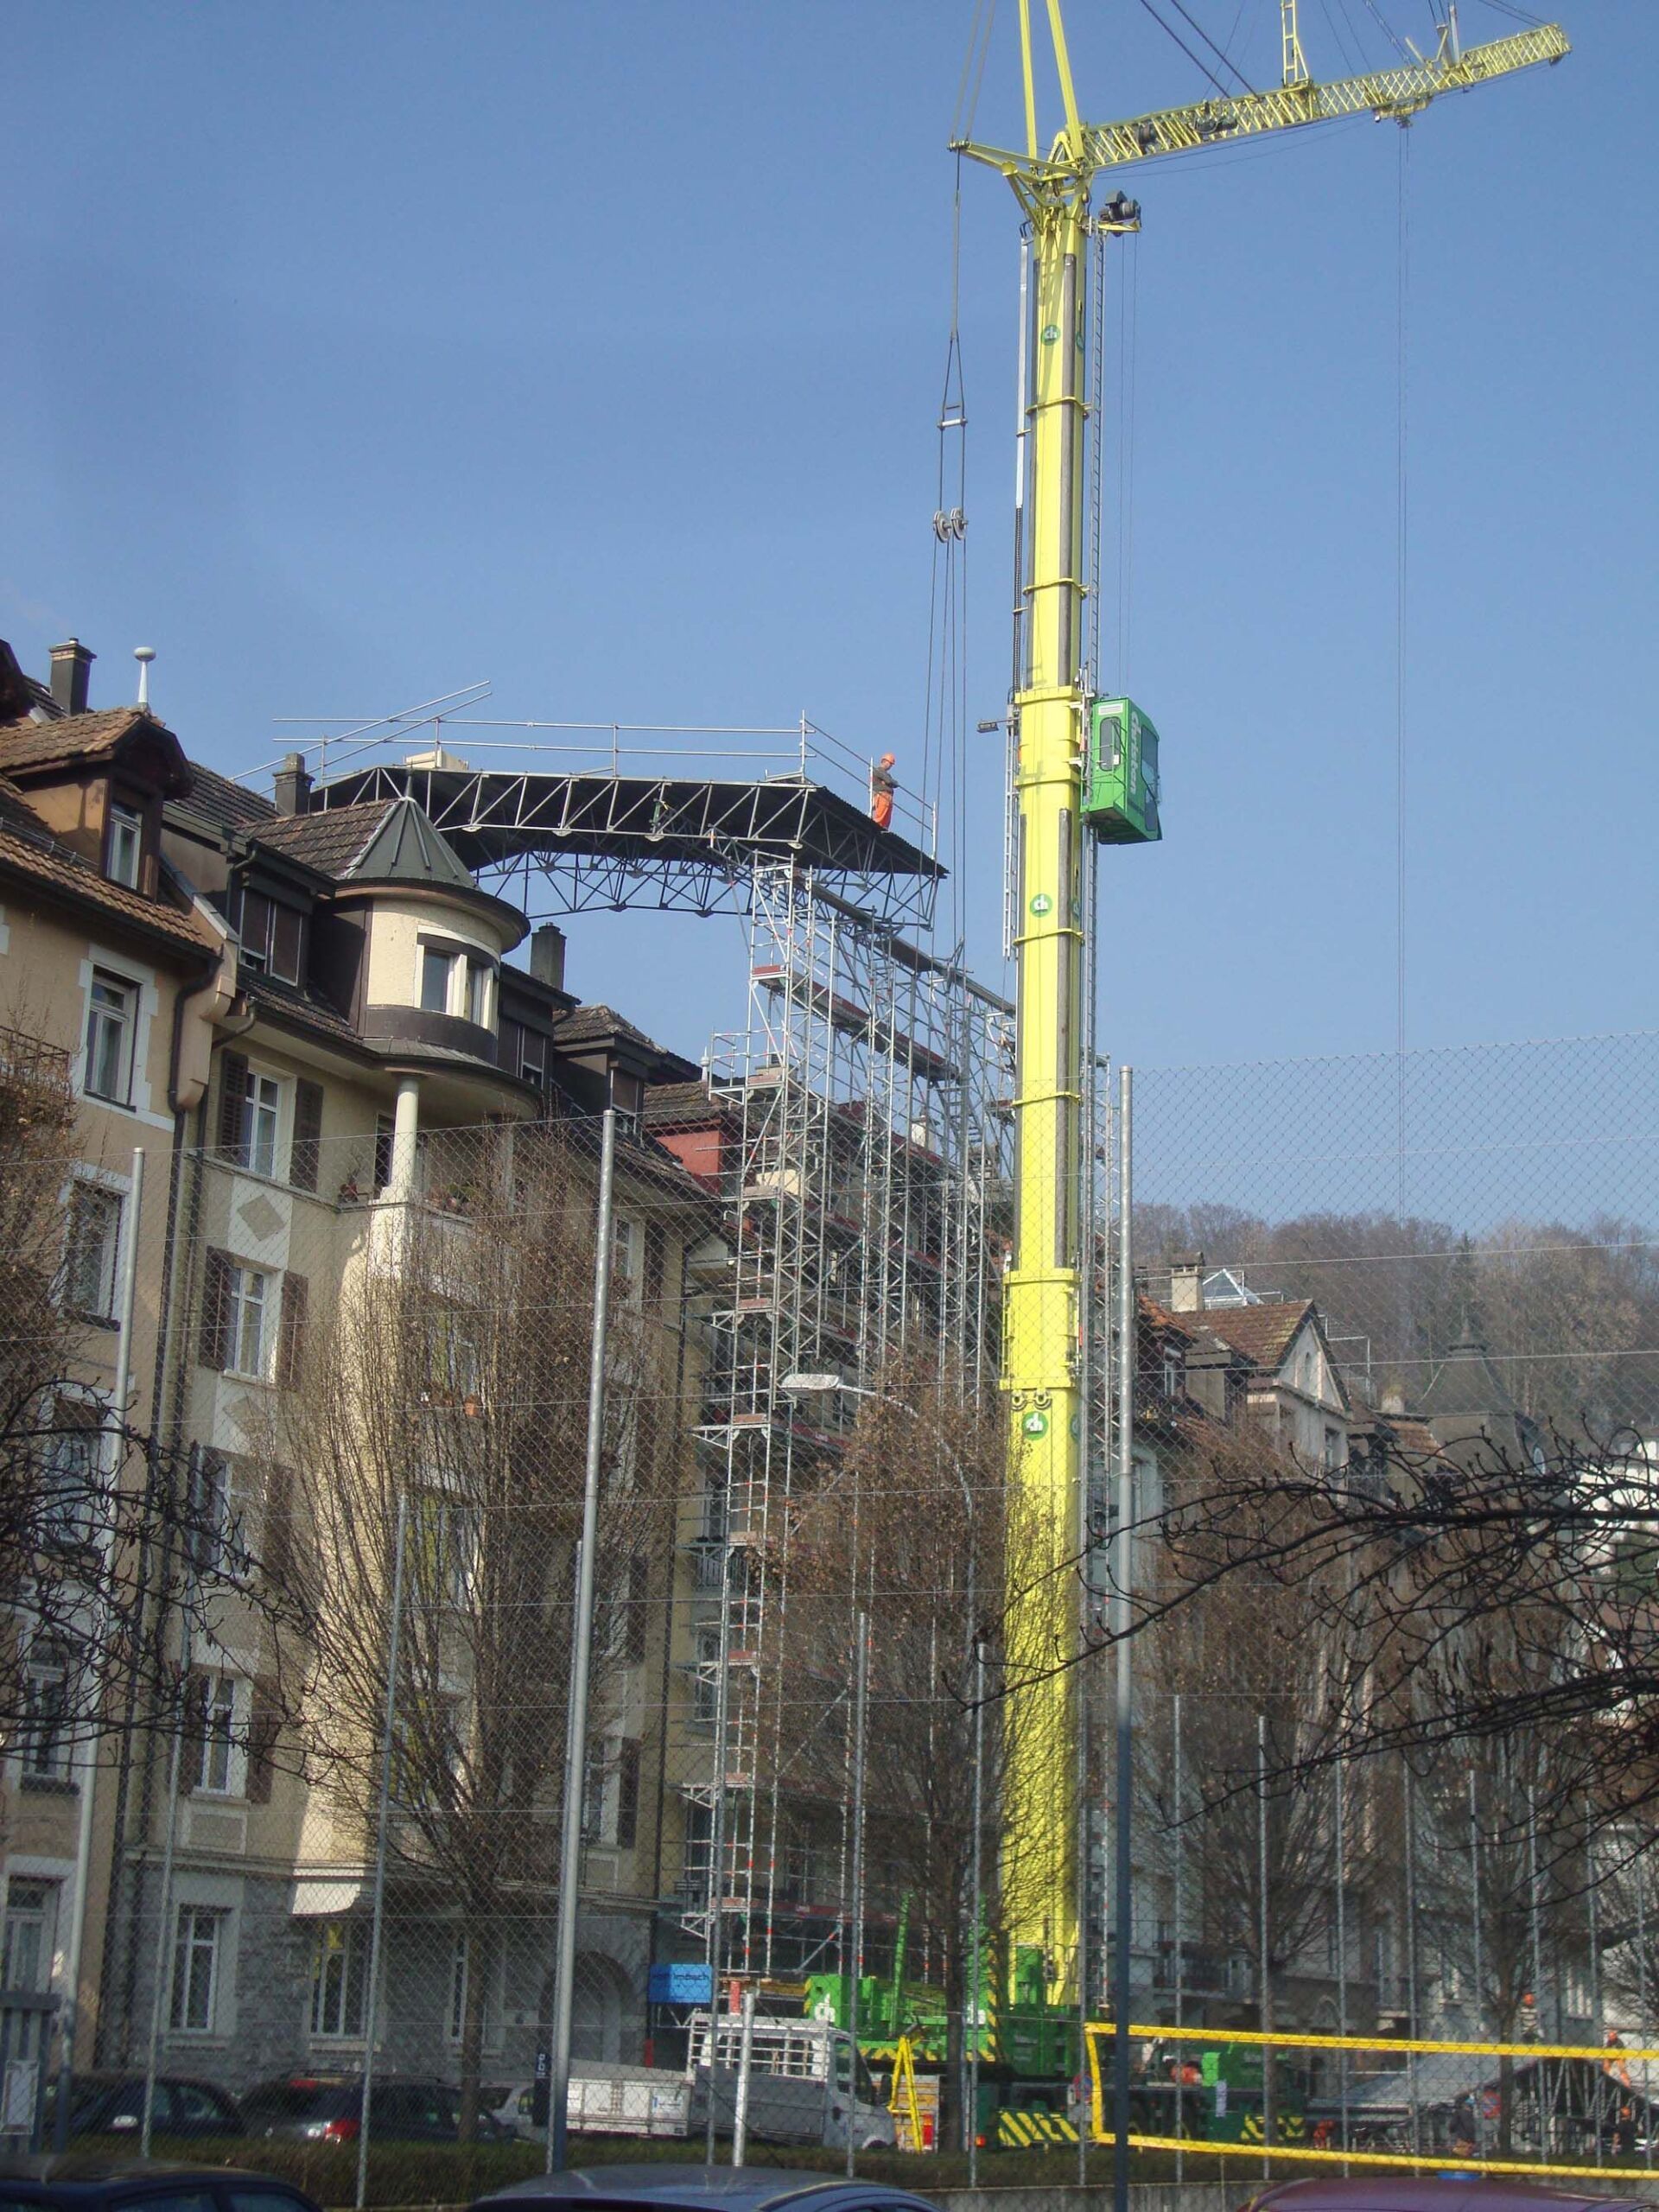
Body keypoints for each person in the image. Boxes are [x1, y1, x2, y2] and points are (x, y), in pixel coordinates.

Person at [870, 753, 897, 830]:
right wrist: (888, 783)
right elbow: (889, 781)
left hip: (888, 797)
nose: (890, 766)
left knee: (886, 818)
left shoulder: (887, 775)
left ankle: (883, 828)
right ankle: (876, 826)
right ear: (884, 761)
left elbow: (893, 783)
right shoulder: (878, 771)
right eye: (890, 763)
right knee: (880, 815)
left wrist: (889, 782)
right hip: (882, 795)